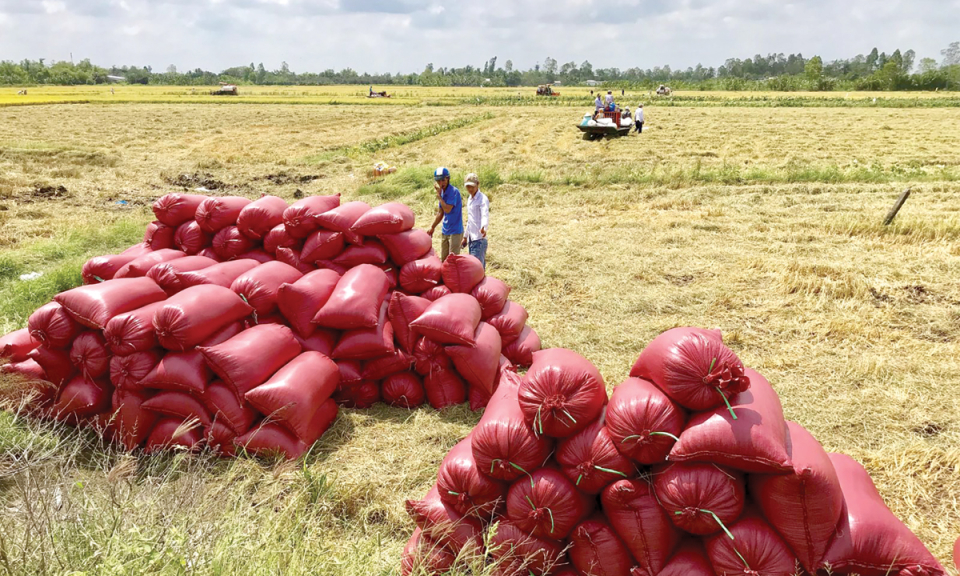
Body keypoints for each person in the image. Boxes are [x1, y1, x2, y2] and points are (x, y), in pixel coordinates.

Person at [427, 167, 463, 261]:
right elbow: (440, 212)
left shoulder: (453, 192)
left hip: (455, 231)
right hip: (445, 230)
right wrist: (432, 227)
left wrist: (439, 197)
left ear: (448, 179)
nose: (441, 183)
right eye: (438, 181)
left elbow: (447, 209)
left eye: (443, 180)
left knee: (453, 259)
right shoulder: (442, 193)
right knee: (444, 259)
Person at [460, 173, 489, 269]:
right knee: (473, 267)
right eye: (468, 187)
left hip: (479, 238)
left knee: (477, 268)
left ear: (478, 184)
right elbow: (470, 219)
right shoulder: (470, 199)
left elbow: (484, 214)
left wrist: (483, 227)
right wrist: (465, 236)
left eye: (472, 187)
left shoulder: (482, 199)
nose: (470, 189)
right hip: (472, 239)